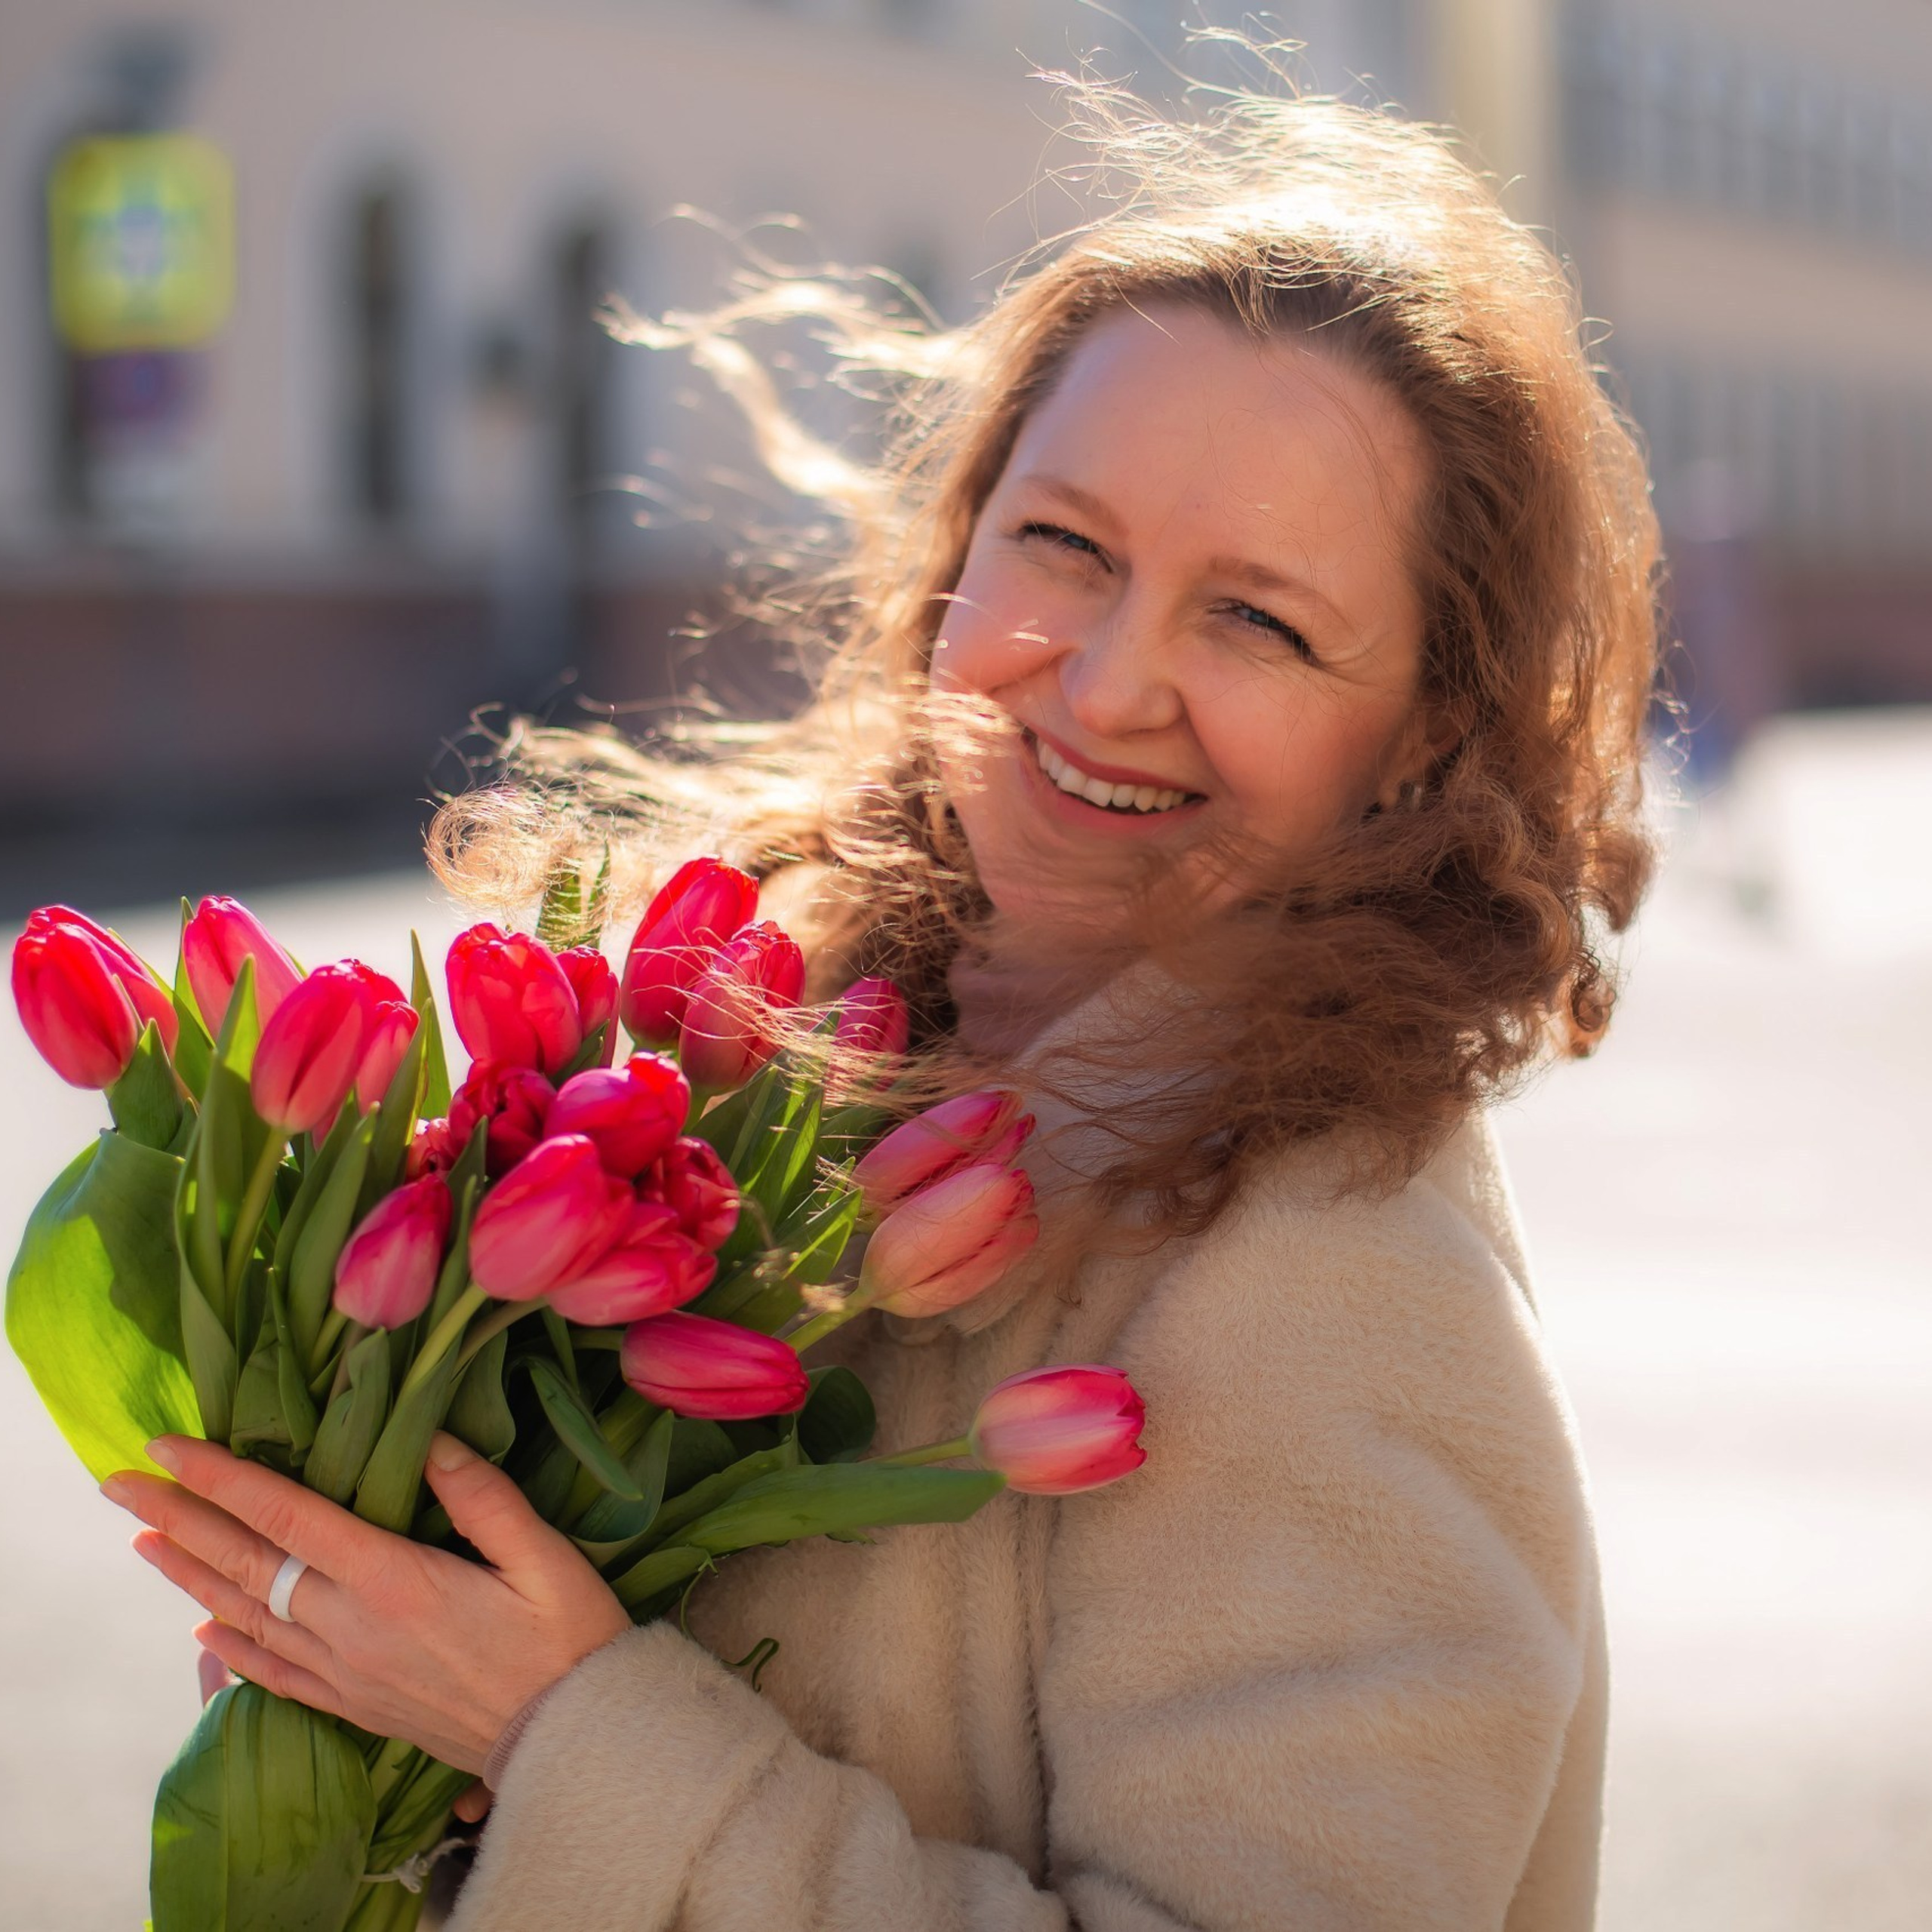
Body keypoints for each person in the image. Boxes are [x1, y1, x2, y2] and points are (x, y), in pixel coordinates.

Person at [105, 70, 1662, 1932]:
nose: (1100, 682)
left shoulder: (1327, 1284)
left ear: (1417, 740)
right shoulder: (777, 1069)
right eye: (1062, 545)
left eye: (1256, 619)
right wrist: (377, 1734)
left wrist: (559, 1740)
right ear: (959, 541)